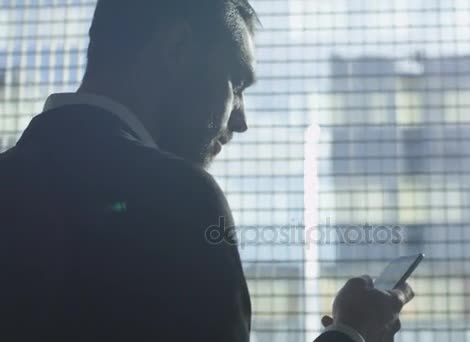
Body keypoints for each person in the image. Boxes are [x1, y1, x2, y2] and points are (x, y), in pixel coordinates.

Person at [0, 1, 415, 341]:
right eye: (236, 86)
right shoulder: (180, 199)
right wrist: (353, 333)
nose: (240, 121)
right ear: (177, 49)